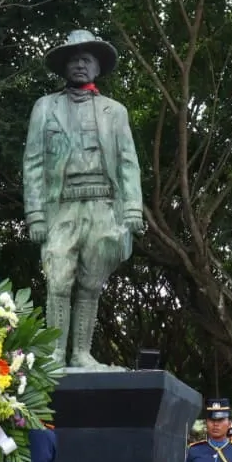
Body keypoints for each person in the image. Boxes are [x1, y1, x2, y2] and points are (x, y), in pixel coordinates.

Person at [22, 29, 144, 370]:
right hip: (61, 207)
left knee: (91, 283)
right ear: (64, 66)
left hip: (104, 206)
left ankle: (81, 354)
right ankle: (55, 356)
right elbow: (33, 162)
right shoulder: (45, 107)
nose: (79, 64)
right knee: (59, 279)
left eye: (86, 59)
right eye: (73, 59)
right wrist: (35, 215)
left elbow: (127, 162)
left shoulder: (114, 111)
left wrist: (133, 208)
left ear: (97, 67)